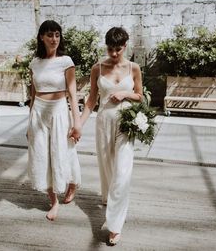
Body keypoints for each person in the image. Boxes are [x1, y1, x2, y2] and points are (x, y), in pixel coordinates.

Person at [80, 27, 143, 245]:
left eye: (118, 49)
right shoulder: (97, 68)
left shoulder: (134, 68)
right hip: (104, 121)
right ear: (105, 46)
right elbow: (91, 100)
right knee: (107, 166)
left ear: (125, 46)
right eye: (110, 49)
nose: (114, 54)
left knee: (123, 172)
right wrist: (78, 124)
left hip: (125, 122)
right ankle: (108, 199)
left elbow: (140, 97)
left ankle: (115, 226)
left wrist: (126, 93)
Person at [27, 20, 81, 221]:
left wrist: (77, 123)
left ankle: (72, 183)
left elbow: (73, 94)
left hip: (59, 111)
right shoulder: (34, 63)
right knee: (42, 156)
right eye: (50, 35)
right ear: (42, 37)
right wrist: (29, 123)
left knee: (62, 152)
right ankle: (54, 201)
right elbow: (33, 95)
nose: (54, 39)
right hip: (39, 113)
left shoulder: (66, 61)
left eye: (57, 35)